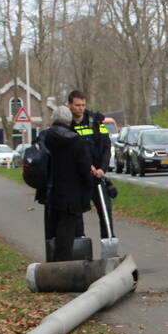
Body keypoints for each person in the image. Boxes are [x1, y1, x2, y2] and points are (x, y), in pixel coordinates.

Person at [40, 105, 94, 261]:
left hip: (49, 192)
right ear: (69, 120)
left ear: (53, 119)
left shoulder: (45, 137)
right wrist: (88, 188)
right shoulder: (76, 140)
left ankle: (51, 263)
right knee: (67, 232)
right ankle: (62, 268)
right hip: (71, 195)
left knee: (51, 231)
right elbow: (84, 168)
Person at [67, 89, 114, 239]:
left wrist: (102, 169)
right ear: (70, 105)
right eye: (77, 105)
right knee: (77, 214)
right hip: (78, 178)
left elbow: (106, 146)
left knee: (105, 212)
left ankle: (109, 243)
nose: (80, 108)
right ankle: (81, 246)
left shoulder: (95, 122)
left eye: (83, 105)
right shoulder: (67, 124)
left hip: (97, 177)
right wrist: (86, 166)